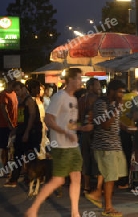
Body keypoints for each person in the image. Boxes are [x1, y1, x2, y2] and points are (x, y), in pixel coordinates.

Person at [25, 68, 84, 217]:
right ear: (70, 80)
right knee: (58, 180)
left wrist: (79, 128)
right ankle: (34, 208)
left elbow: (69, 123)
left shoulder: (74, 99)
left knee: (76, 177)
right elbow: (48, 119)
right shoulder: (59, 97)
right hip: (61, 145)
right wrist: (64, 132)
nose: (81, 81)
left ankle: (75, 212)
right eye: (78, 78)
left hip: (73, 145)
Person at [86, 79, 127, 217]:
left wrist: (125, 127)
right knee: (110, 176)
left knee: (111, 174)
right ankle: (108, 207)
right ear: (112, 91)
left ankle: (97, 193)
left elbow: (115, 121)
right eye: (120, 91)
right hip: (104, 145)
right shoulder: (101, 103)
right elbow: (105, 124)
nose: (122, 95)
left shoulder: (113, 104)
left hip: (114, 144)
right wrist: (116, 109)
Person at [5, 80, 42, 188]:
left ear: (23, 89)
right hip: (23, 131)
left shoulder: (29, 100)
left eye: (17, 90)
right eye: (15, 91)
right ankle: (17, 178)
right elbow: (21, 119)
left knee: (30, 157)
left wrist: (26, 132)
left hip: (31, 132)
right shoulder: (21, 100)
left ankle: (32, 179)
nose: (16, 93)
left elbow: (32, 116)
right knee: (18, 156)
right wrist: (16, 129)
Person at [77, 78, 103, 194]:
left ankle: (86, 186)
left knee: (86, 158)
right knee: (98, 159)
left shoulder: (81, 100)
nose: (100, 88)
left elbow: (78, 118)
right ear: (91, 87)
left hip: (84, 132)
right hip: (96, 131)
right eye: (97, 85)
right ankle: (98, 187)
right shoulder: (97, 100)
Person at [0, 79, 18, 169]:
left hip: (14, 124)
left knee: (13, 146)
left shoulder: (14, 94)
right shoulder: (3, 95)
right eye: (13, 86)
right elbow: (4, 111)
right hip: (4, 126)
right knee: (4, 147)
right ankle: (5, 167)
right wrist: (9, 124)